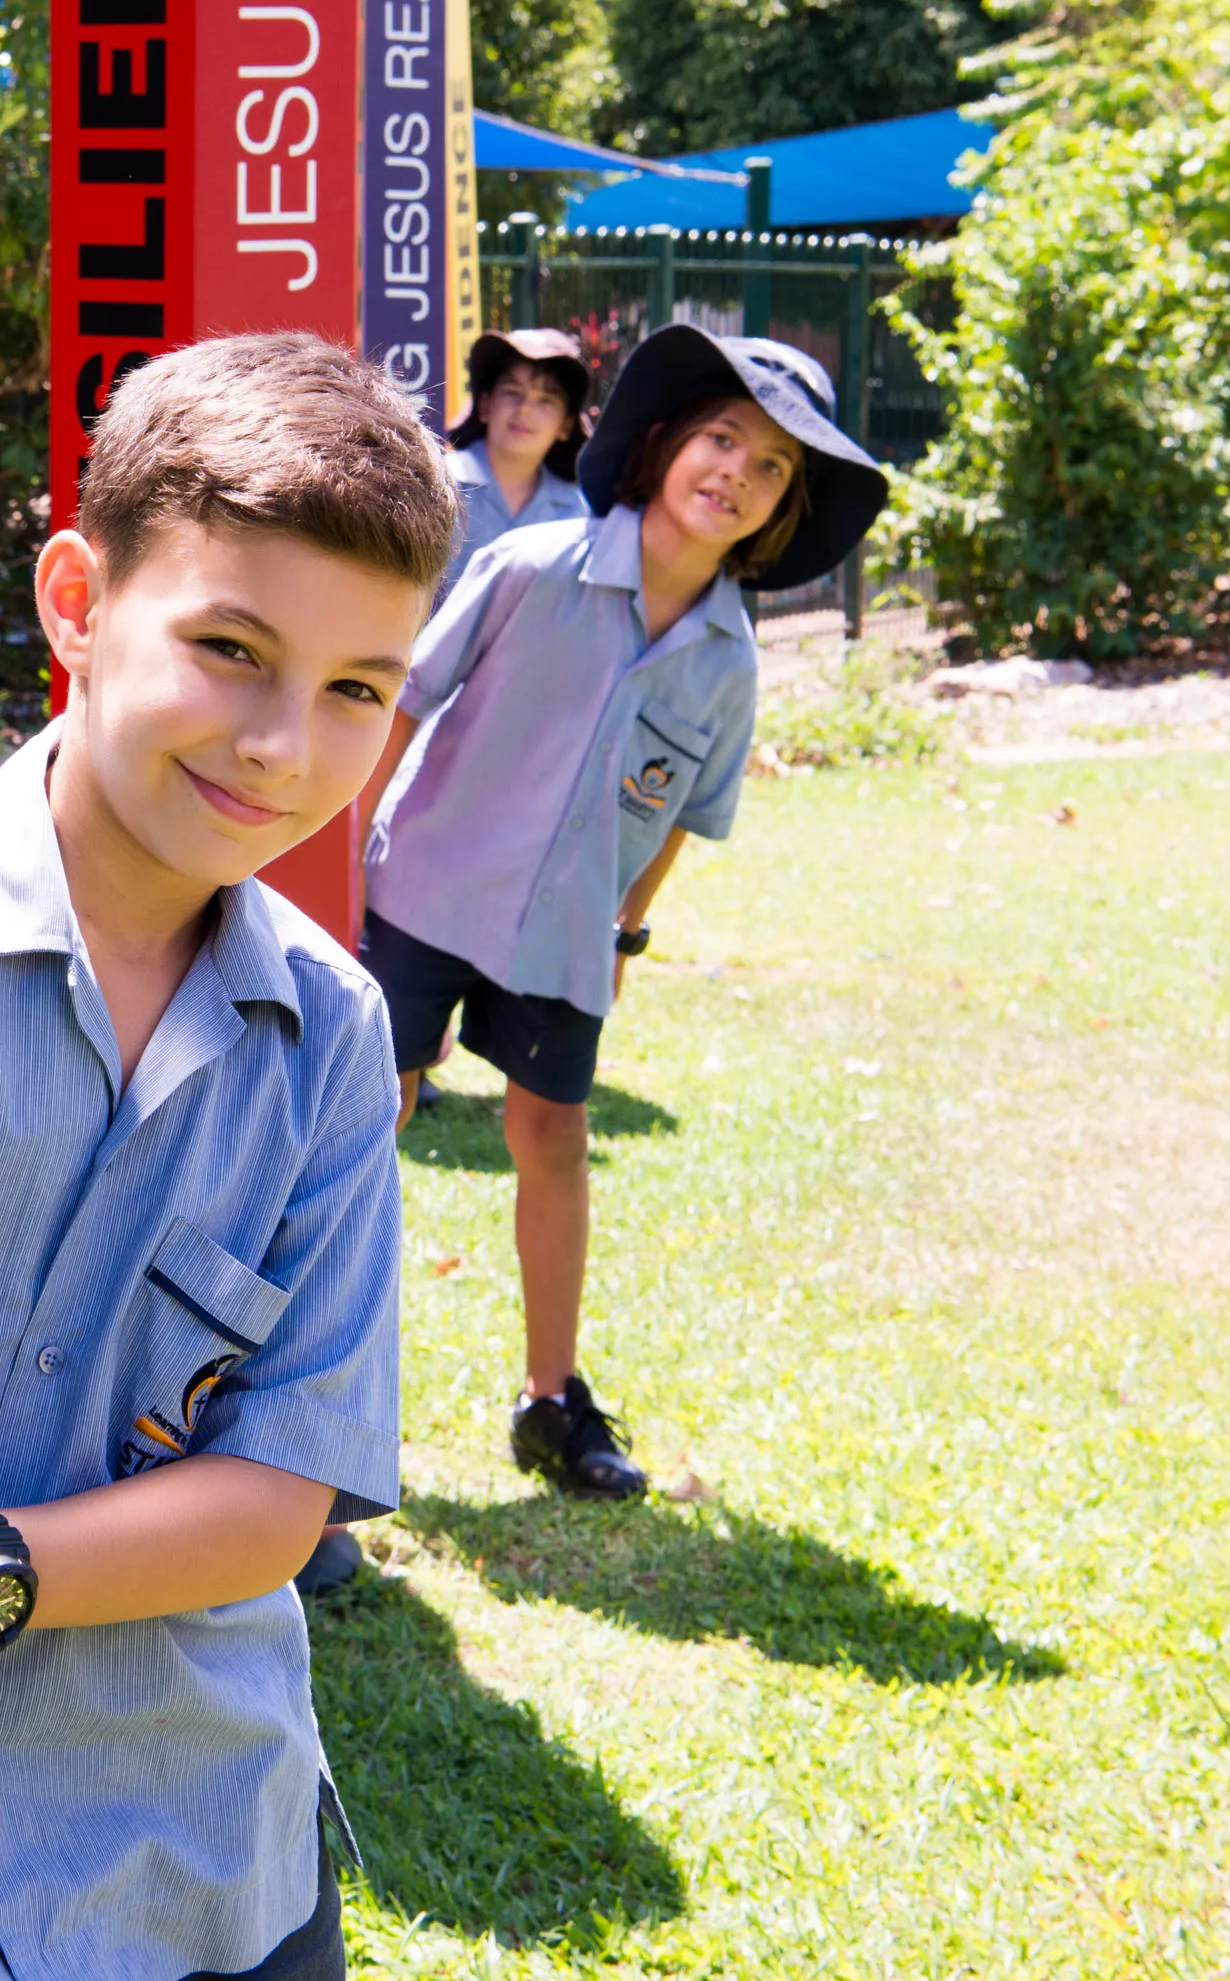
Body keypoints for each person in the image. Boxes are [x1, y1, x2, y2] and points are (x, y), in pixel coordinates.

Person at [0, 333, 457, 1981]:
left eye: (358, 688)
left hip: (214, 1864)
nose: (288, 743)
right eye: (230, 646)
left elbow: (281, 1493)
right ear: (76, 602)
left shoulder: (333, 1037)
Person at [356, 326, 886, 1499]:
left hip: (566, 934)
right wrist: (349, 871)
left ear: (785, 510)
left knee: (554, 1139)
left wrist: (627, 929)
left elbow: (688, 813)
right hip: (424, 891)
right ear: (661, 445)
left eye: (771, 471)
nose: (736, 477)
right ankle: (319, 1400)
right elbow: (402, 706)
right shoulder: (529, 568)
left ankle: (552, 1402)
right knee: (366, 1123)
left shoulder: (726, 658)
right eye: (722, 440)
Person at [436, 327, 593, 600]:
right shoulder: (435, 483)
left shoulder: (579, 514)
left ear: (566, 425)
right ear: (484, 406)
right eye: (512, 391)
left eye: (546, 399)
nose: (525, 409)